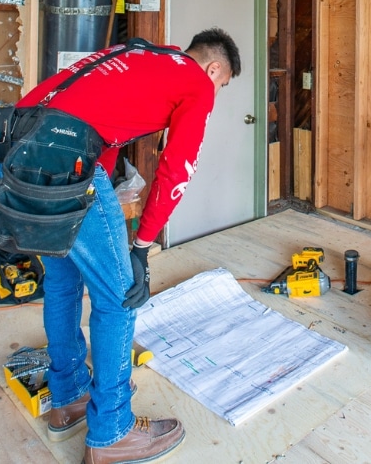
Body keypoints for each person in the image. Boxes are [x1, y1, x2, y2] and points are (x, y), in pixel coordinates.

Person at [13, 28, 241, 463]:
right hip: (68, 164)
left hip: (20, 147)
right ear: (214, 68)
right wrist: (141, 247)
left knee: (62, 282)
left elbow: (102, 126)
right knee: (120, 296)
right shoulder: (195, 82)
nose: (216, 93)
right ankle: (112, 431)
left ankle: (69, 398)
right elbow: (178, 171)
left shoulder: (138, 53)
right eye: (222, 85)